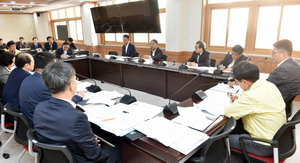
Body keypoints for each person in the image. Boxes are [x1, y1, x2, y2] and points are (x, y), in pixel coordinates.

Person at [33, 62, 122, 163]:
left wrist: (88, 140)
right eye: (76, 80)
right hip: (76, 159)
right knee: (123, 152)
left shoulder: (39, 107)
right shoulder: (77, 117)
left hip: (52, 158)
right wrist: (93, 143)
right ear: (71, 85)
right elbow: (94, 155)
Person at [224, 61, 286, 157]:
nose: (238, 84)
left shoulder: (251, 96)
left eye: (238, 82)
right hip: (278, 138)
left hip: (263, 145)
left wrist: (240, 101)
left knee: (220, 139)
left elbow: (228, 112)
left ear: (244, 81)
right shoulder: (269, 85)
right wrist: (241, 100)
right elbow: (260, 102)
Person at [19, 52, 84, 125]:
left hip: (29, 119)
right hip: (41, 125)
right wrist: (78, 96)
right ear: (50, 67)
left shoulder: (27, 78)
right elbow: (61, 103)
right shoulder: (45, 84)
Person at [2, 53, 34, 122]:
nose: (34, 64)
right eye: (33, 62)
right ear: (27, 65)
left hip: (8, 108)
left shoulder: (15, 72)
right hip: (15, 113)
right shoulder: (26, 76)